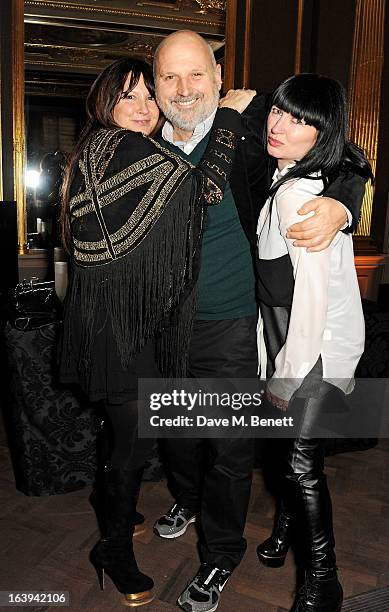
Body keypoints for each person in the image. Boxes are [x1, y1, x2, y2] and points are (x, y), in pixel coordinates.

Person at [151, 30, 368, 612]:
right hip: (170, 329)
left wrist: (343, 202)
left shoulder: (250, 134)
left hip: (234, 325)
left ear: (220, 82)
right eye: (170, 76)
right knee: (178, 434)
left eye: (197, 74)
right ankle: (194, 501)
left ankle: (223, 556)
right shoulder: (139, 138)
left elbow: (346, 154)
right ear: (154, 85)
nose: (184, 88)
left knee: (235, 449)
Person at [58, 56, 255, 607]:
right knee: (133, 448)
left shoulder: (97, 151)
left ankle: (119, 520)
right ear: (106, 104)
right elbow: (203, 192)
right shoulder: (131, 150)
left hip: (114, 320)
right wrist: (230, 120)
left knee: (125, 441)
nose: (143, 108)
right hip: (125, 331)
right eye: (129, 97)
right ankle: (113, 552)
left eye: (150, 95)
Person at [255, 73, 373, 612]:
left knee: (301, 467)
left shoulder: (301, 197)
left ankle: (324, 581)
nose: (280, 125)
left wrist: (288, 376)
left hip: (312, 350)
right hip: (292, 342)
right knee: (289, 458)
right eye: (279, 111)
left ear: (321, 134)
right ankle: (284, 533)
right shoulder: (286, 180)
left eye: (300, 120)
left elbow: (312, 306)